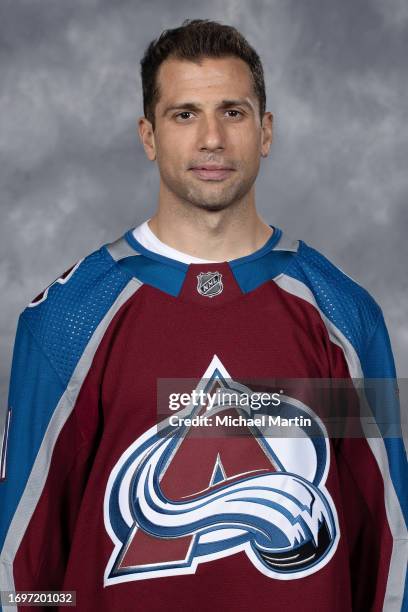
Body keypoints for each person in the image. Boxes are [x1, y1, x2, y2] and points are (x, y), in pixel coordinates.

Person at [0, 18, 406, 612]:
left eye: (233, 113)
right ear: (149, 136)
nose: (211, 138)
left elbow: (390, 548)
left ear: (266, 131)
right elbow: (25, 564)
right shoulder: (65, 320)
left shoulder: (347, 316)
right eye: (184, 114)